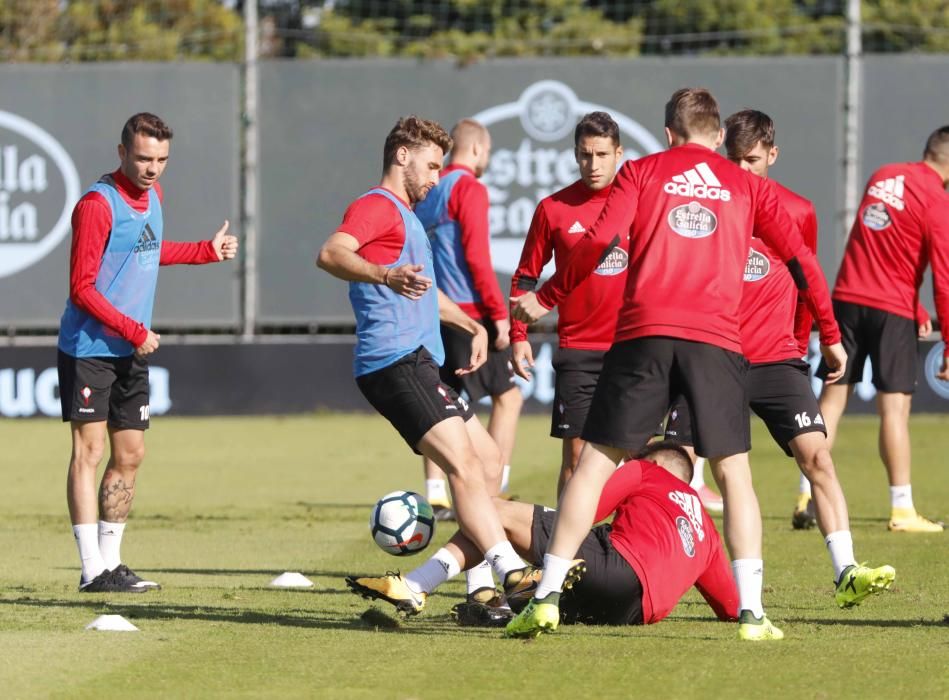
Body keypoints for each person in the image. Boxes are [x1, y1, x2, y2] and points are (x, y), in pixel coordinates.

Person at [507, 87, 845, 641]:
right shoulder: (746, 184)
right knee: (735, 473)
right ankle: (752, 612)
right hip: (716, 341)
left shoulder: (641, 172)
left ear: (668, 134)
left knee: (594, 465)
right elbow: (801, 260)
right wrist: (829, 336)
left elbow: (598, 243)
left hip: (643, 335)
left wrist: (545, 298)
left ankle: (545, 595)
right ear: (717, 137)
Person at [665, 109, 895, 604]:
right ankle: (644, 566)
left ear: (773, 154)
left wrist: (802, 340)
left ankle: (847, 570)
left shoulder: (797, 210)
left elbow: (805, 281)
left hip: (776, 358)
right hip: (712, 355)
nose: (742, 170)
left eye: (752, 160)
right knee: (671, 465)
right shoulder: (709, 201)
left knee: (817, 456)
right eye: (734, 159)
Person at [316, 115, 543, 608]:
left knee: (486, 464)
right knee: (464, 465)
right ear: (402, 156)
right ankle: (510, 572)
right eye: (432, 166)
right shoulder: (376, 207)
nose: (437, 178)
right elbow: (331, 253)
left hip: (418, 359)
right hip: (392, 362)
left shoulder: (409, 217)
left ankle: (432, 584)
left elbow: (424, 291)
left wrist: (472, 324)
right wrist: (383, 274)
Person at [59, 112, 239, 593]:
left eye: (161, 159)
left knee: (132, 454)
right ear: (122, 153)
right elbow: (82, 287)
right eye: (143, 158)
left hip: (130, 349)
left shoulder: (154, 196)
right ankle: (90, 568)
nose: (153, 168)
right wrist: (133, 329)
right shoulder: (97, 205)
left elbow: (147, 247)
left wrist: (205, 250)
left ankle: (113, 563)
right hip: (90, 349)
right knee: (89, 451)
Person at [509, 111, 720, 511]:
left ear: (619, 154)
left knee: (637, 458)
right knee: (575, 459)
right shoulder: (553, 209)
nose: (594, 164)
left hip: (634, 348)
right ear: (575, 155)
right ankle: (563, 552)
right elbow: (525, 277)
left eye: (602, 154)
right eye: (585, 155)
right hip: (578, 350)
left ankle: (632, 543)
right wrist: (517, 337)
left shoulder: (642, 204)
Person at [348, 442, 739, 633]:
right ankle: (498, 605)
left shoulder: (644, 471)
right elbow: (729, 606)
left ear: (655, 463)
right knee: (530, 572)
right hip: (631, 616)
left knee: (491, 510)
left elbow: (586, 510)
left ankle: (419, 584)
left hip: (613, 565)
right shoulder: (708, 531)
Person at [815, 126, 949, 533]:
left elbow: (881, 248)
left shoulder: (883, 175)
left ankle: (807, 491)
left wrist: (915, 305)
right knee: (894, 410)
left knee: (832, 399)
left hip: (847, 298)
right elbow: (944, 278)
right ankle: (902, 509)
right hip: (891, 313)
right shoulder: (936, 200)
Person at [414, 119, 522, 522]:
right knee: (509, 399)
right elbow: (477, 258)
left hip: (432, 309)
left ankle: (436, 493)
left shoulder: (427, 191)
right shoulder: (469, 188)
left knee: (438, 400)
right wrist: (498, 316)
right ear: (477, 150)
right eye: (488, 153)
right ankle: (494, 489)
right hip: (469, 312)